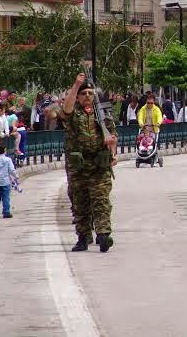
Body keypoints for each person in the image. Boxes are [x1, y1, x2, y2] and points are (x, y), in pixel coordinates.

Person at [61, 73, 118, 253]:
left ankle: (103, 234)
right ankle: (83, 236)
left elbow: (113, 137)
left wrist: (113, 151)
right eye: (83, 93)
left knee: (101, 201)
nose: (87, 96)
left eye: (90, 93)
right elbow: (67, 108)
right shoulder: (73, 114)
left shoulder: (103, 115)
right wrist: (76, 84)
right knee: (80, 203)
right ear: (78, 96)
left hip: (99, 165)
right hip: (78, 166)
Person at [0, 144, 18, 219]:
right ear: (4, 150)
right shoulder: (7, 159)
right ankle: (6, 212)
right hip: (5, 181)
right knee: (6, 197)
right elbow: (11, 170)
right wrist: (16, 176)